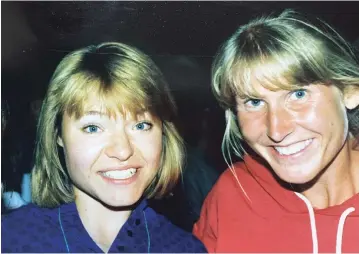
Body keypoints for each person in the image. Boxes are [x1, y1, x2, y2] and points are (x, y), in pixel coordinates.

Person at [2, 42, 207, 253]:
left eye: (140, 125)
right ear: (57, 135)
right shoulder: (11, 239)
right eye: (93, 128)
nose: (122, 150)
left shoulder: (186, 249)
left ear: (163, 133)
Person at [193, 9, 359, 253]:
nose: (277, 130)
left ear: (350, 91)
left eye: (298, 94)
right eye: (254, 102)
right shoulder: (232, 194)